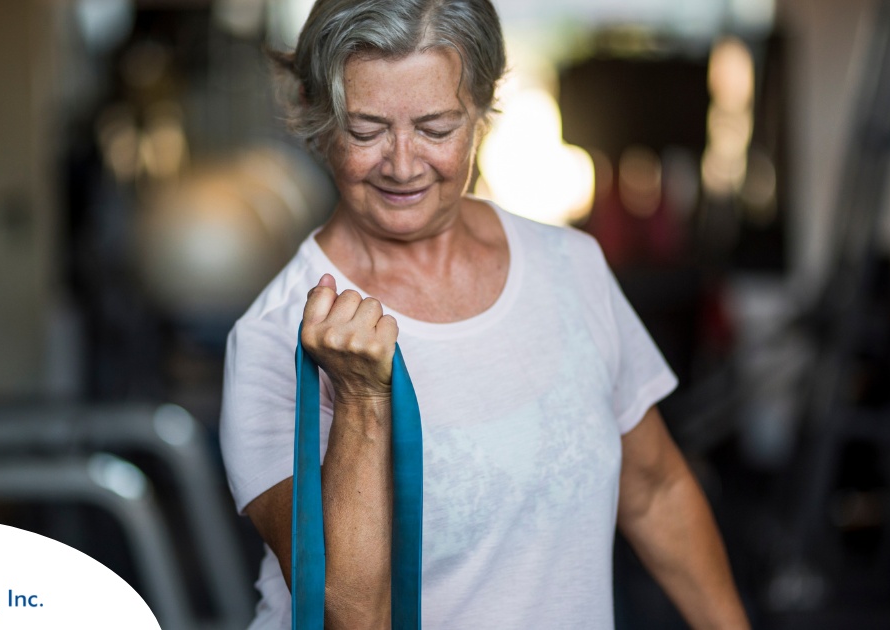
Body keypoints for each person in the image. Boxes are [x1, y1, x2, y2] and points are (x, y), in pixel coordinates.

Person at [219, 0, 750, 627]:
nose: (403, 163)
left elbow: (655, 489)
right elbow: (352, 614)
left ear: (483, 110)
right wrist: (362, 402)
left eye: (437, 128)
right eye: (365, 130)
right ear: (318, 116)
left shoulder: (569, 266)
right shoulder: (274, 336)